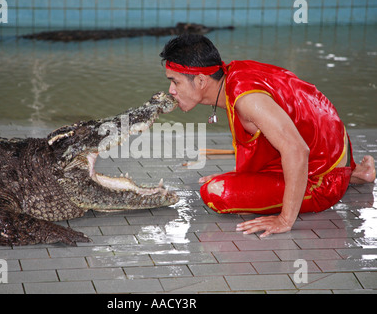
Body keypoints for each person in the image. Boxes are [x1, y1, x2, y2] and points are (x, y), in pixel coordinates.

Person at [160, 34, 376, 237]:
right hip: (332, 146)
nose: (171, 90)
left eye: (175, 81)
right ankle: (356, 172)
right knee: (242, 169)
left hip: (323, 179)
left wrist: (285, 220)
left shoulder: (248, 101)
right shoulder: (234, 73)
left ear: (200, 81)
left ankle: (345, 176)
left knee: (215, 192)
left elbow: (297, 150)